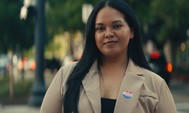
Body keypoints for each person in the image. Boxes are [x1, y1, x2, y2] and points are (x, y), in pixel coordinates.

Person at [40, 0, 177, 113]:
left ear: (132, 32)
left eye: (116, 26)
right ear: (93, 35)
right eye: (100, 28)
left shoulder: (155, 85)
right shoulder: (67, 76)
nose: (108, 33)